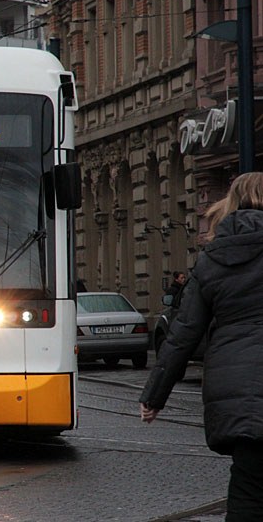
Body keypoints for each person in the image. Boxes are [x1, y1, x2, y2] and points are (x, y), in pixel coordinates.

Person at [140, 172, 263, 521]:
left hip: (237, 390)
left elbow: (184, 333)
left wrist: (153, 397)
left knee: (248, 492)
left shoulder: (213, 259)